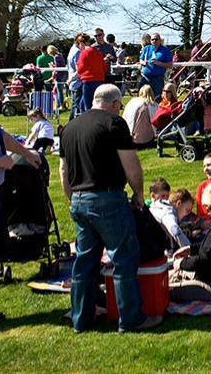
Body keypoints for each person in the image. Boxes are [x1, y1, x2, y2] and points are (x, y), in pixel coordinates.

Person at [58, 83, 162, 333]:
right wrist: (139, 194)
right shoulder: (114, 123)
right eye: (120, 105)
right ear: (115, 104)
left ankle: (80, 318)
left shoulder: (70, 127)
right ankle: (131, 319)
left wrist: (71, 198)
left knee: (84, 262)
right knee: (123, 258)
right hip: (107, 198)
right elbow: (131, 163)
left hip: (79, 198)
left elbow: (63, 170)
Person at [0, 73, 42, 328]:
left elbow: (2, 136)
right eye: (0, 93)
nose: (3, 98)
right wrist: (2, 162)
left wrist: (26, 153)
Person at [149, 178, 190, 251]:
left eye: (167, 196)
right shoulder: (166, 211)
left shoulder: (149, 209)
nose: (166, 199)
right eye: (163, 196)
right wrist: (189, 248)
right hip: (168, 251)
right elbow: (175, 229)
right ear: (153, 196)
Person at [76, 33, 106, 113]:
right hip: (99, 81)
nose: (79, 47)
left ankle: (88, 120)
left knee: (87, 108)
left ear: (81, 43)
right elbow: (104, 67)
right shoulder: (98, 52)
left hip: (88, 82)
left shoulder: (84, 53)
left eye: (78, 44)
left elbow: (80, 69)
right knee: (83, 105)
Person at [139, 33, 174, 99]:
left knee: (156, 98)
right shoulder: (146, 48)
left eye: (156, 39)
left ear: (160, 40)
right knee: (142, 97)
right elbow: (141, 59)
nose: (154, 41)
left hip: (157, 79)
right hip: (145, 77)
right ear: (150, 41)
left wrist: (158, 63)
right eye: (152, 39)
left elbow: (170, 65)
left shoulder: (165, 50)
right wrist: (143, 62)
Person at [48, 44, 67, 112]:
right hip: (63, 74)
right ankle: (59, 105)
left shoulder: (56, 57)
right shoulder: (60, 55)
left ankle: (61, 105)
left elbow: (57, 68)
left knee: (59, 91)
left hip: (60, 75)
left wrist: (51, 66)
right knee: (59, 90)